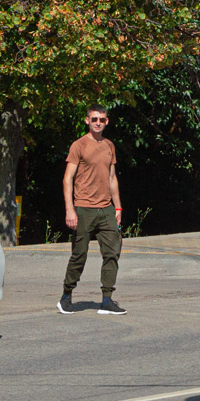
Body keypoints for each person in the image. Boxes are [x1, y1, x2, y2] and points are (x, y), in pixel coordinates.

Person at [58, 104, 126, 315]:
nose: (98, 123)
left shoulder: (109, 146)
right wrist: (70, 209)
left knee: (112, 252)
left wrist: (118, 206)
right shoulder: (78, 146)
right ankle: (66, 296)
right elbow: (67, 179)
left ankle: (107, 300)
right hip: (83, 208)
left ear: (107, 122)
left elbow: (112, 178)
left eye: (102, 120)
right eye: (94, 119)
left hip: (106, 209)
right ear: (87, 121)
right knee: (79, 255)